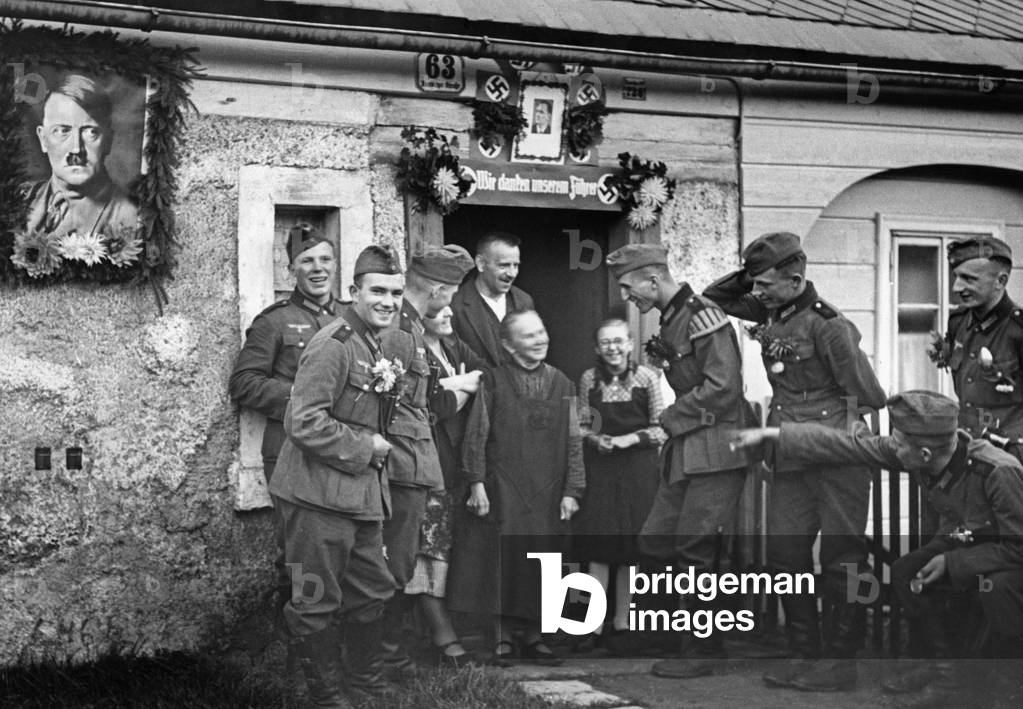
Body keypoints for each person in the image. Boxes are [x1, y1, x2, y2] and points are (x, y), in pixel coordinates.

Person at [731, 391, 1023, 709]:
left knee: (994, 589)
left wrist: (952, 562)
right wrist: (777, 433)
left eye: (897, 444)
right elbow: (851, 446)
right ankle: (942, 671)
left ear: (924, 454)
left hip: (1008, 557)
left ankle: (986, 684)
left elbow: (1018, 546)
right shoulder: (928, 451)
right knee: (905, 572)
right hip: (969, 545)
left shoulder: (997, 471)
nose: (892, 448)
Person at [704, 231, 887, 691]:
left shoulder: (830, 325)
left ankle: (839, 660)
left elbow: (867, 396)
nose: (756, 292)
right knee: (786, 554)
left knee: (842, 556)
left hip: (834, 454)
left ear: (796, 279)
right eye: (755, 283)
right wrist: (754, 272)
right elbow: (715, 296)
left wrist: (843, 435)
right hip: (788, 452)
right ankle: (803, 652)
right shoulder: (769, 308)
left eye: (765, 283)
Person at [606, 243, 751, 678]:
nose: (629, 298)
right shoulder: (672, 318)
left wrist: (670, 416)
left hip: (717, 447)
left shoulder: (702, 314)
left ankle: (704, 648)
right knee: (655, 540)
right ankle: (668, 632)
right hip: (689, 449)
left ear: (653, 278)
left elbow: (725, 388)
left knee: (695, 548)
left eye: (631, 288)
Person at [267, 245, 403, 708]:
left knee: (371, 590)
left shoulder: (372, 341)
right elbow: (303, 421)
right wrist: (367, 447)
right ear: (354, 292)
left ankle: (364, 684)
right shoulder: (334, 344)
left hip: (360, 498)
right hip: (313, 500)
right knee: (312, 597)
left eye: (396, 292)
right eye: (378, 291)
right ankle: (326, 697)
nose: (388, 300)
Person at [450, 309, 584, 666]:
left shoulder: (564, 383)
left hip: (549, 488)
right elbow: (476, 433)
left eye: (541, 332)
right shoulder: (493, 382)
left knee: (543, 560)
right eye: (528, 336)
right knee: (502, 561)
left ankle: (536, 637)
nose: (539, 340)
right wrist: (475, 483)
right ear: (508, 346)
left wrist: (573, 489)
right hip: (504, 487)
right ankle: (502, 637)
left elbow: (574, 439)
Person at [228, 223, 342, 619]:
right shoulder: (275, 321)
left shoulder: (350, 317)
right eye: (306, 260)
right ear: (290, 268)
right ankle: (299, 645)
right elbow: (244, 384)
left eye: (325, 259)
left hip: (343, 451)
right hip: (293, 453)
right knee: (299, 550)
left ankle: (333, 638)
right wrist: (300, 396)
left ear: (336, 264)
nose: (318, 268)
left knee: (342, 546)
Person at [377, 244, 476, 671]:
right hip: (401, 463)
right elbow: (398, 405)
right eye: (450, 294)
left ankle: (388, 657)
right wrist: (458, 393)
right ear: (436, 290)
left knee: (403, 561)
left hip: (413, 461)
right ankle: (384, 658)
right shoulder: (401, 331)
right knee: (398, 563)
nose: (450, 303)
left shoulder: (412, 328)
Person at [573, 318, 667, 651]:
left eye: (619, 341)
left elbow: (661, 427)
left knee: (630, 546)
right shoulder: (589, 379)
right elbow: (582, 424)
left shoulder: (648, 378)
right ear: (598, 348)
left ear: (629, 344)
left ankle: (623, 622)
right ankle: (594, 623)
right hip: (601, 468)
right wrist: (596, 440)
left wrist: (630, 439)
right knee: (600, 545)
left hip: (639, 469)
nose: (613, 348)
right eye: (605, 342)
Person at [404, 304, 486, 666]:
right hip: (427, 459)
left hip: (453, 462)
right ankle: (440, 634)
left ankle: (436, 629)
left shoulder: (453, 347)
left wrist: (458, 385)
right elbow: (428, 406)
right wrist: (459, 387)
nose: (448, 312)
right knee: (428, 547)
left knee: (445, 547)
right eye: (437, 308)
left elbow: (485, 373)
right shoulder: (413, 350)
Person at [23, 73, 138, 238]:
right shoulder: (19, 200)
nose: (76, 149)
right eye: (62, 131)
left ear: (108, 141)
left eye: (91, 132)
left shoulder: (131, 217)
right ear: (43, 139)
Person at [937, 237, 1023, 456]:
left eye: (969, 279)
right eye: (956, 277)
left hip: (1011, 459)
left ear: (1000, 281)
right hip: (967, 450)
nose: (957, 287)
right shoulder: (958, 322)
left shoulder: (1018, 329)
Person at [451, 231, 534, 367]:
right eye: (504, 265)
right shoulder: (455, 305)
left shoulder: (524, 301)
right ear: (481, 264)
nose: (512, 274)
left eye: (516, 265)